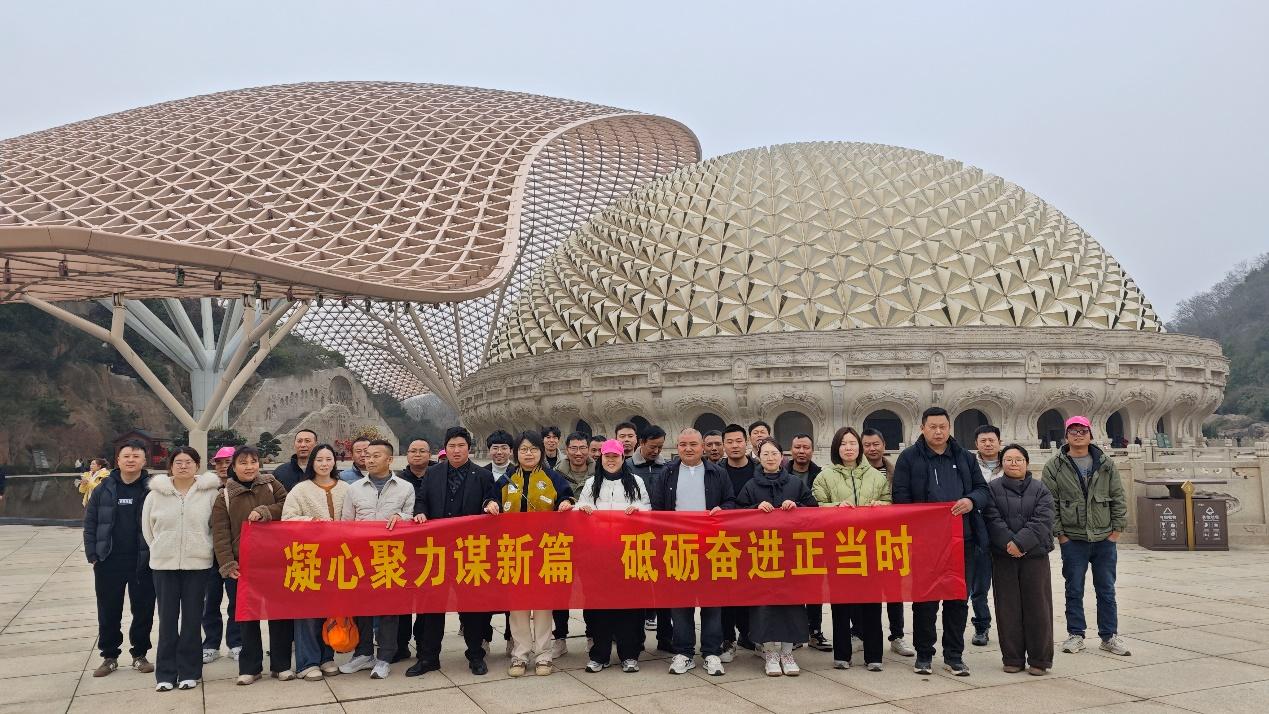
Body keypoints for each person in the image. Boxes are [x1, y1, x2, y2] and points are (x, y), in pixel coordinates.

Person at [892, 406, 989, 677]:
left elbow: (982, 490)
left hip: (962, 540)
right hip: (925, 543)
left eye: (942, 427)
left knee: (957, 600)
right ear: (922, 428)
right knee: (926, 600)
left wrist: (971, 501)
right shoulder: (909, 458)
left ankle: (954, 655)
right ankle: (924, 654)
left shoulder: (965, 457)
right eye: (932, 427)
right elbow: (900, 497)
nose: (938, 432)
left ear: (949, 428)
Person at [408, 427, 501, 677]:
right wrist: (420, 512)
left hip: (469, 552)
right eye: (452, 446)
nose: (456, 450)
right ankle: (429, 657)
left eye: (461, 446)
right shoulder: (433, 473)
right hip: (437, 552)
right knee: (432, 607)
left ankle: (475, 655)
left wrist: (491, 505)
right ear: (445, 448)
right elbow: (422, 499)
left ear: (469, 448)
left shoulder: (483, 475)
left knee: (471, 608)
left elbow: (490, 500)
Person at [1043, 416, 1132, 657]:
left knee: (1106, 589)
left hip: (1104, 537)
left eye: (1083, 431)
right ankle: (1076, 634)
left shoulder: (1105, 463)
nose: (1078, 435)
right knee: (1074, 589)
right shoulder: (1055, 465)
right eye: (1073, 431)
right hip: (1073, 539)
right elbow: (1050, 503)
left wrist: (1116, 531)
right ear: (1066, 436)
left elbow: (1118, 497)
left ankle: (1109, 636)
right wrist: (1061, 535)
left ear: (1091, 435)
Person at [651, 428, 736, 676]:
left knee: (712, 603)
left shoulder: (717, 472)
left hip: (711, 547)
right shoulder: (668, 473)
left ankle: (711, 652)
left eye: (693, 444)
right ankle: (684, 653)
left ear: (702, 447)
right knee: (681, 603)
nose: (688, 449)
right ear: (677, 447)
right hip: (678, 547)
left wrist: (722, 510)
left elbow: (730, 501)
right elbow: (657, 508)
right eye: (683, 444)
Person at [210, 446, 291, 685]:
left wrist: (266, 511)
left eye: (253, 461)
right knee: (246, 617)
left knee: (279, 614)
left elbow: (288, 506)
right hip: (243, 565)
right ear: (233, 467)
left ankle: (281, 665)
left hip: (274, 561)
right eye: (243, 463)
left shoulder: (271, 484)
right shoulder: (224, 496)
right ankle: (250, 667)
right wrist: (227, 564)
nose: (249, 467)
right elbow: (220, 533)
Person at [737, 437, 817, 676]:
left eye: (774, 453)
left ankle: (787, 652)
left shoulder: (795, 483)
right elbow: (736, 514)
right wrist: (754, 509)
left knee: (791, 604)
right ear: (758, 458)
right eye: (765, 454)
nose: (770, 458)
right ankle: (770, 652)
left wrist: (797, 506)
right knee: (764, 605)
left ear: (782, 457)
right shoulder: (751, 485)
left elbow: (814, 510)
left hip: (791, 554)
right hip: (761, 555)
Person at [142, 446, 220, 691]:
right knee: (167, 620)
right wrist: (160, 547)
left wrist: (205, 547)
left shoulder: (210, 493)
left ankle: (189, 671)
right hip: (164, 565)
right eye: (178, 462)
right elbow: (148, 529)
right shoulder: (155, 494)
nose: (183, 466)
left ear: (197, 465)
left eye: (188, 461)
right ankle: (165, 673)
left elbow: (215, 527)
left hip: (197, 564)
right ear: (171, 465)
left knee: (192, 620)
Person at [813, 427, 891, 671]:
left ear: (860, 447)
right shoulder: (824, 477)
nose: (848, 448)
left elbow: (890, 503)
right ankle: (842, 654)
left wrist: (882, 505)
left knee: (872, 603)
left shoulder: (876, 477)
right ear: (836, 448)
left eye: (853, 443)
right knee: (840, 604)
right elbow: (815, 507)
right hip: (839, 548)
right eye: (843, 444)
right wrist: (836, 506)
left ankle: (874, 655)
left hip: (870, 548)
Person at [500, 430, 575, 676]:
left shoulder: (552, 476)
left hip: (544, 551)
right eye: (523, 449)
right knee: (518, 605)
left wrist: (566, 502)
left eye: (533, 449)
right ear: (516, 453)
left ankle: (544, 654)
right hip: (514, 551)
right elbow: (491, 498)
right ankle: (520, 655)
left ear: (541, 452)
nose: (528, 453)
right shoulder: (507, 477)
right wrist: (490, 504)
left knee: (543, 605)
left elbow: (566, 495)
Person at [337, 440, 414, 679]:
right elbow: (346, 523)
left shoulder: (405, 488)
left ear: (389, 459)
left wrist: (401, 517)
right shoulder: (354, 489)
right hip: (361, 557)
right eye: (367, 455)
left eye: (375, 456)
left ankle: (384, 658)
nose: (369, 459)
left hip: (391, 557)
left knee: (389, 609)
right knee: (361, 607)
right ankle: (363, 653)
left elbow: (412, 517)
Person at [577, 439, 652, 673]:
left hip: (627, 552)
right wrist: (582, 509)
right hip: (598, 554)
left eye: (615, 456)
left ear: (622, 458)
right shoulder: (591, 483)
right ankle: (599, 655)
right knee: (599, 606)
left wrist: (638, 510)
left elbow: (648, 508)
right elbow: (580, 507)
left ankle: (629, 655)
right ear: (601, 458)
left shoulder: (635, 482)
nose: (611, 460)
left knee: (629, 606)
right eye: (607, 456)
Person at [85, 439, 156, 678]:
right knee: (108, 610)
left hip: (142, 561)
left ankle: (140, 654)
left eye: (136, 456)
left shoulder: (152, 489)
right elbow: (90, 523)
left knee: (143, 610)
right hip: (109, 560)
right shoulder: (103, 488)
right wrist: (93, 555)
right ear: (118, 460)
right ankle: (109, 656)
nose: (131, 460)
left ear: (144, 461)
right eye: (126, 456)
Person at [983, 444, 1055, 675]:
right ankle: (1012, 657)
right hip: (1004, 556)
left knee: (1038, 607)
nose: (1013, 463)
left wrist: (1021, 543)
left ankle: (1039, 659)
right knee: (1007, 608)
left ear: (1026, 463)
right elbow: (991, 518)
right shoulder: (992, 489)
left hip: (1035, 556)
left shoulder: (1040, 489)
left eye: (1018, 459)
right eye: (1008, 459)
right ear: (1001, 463)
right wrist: (1009, 544)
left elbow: (1043, 519)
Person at [282, 443, 349, 680]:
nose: (324, 464)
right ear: (312, 462)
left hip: (337, 558)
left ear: (334, 462)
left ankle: (327, 656)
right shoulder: (300, 490)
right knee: (307, 611)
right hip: (309, 557)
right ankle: (306, 662)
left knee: (330, 609)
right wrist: (311, 522)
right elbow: (287, 518)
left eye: (328, 459)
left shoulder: (345, 488)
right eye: (319, 459)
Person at [861, 428, 913, 657]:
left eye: (876, 444)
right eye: (867, 445)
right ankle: (860, 632)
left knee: (894, 590)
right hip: (861, 539)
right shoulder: (855, 472)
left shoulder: (897, 471)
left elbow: (904, 500)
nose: (872, 449)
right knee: (863, 590)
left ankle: (897, 635)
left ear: (884, 444)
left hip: (891, 537)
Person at [787, 432, 830, 652]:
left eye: (805, 447)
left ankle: (815, 631)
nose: (801, 451)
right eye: (797, 447)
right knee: (793, 589)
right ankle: (795, 633)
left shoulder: (821, 475)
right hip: (787, 541)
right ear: (790, 450)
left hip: (814, 539)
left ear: (812, 450)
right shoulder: (782, 474)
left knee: (814, 588)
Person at [393, 437, 432, 662]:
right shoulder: (398, 480)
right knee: (403, 599)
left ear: (430, 454)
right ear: (406, 455)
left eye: (422, 451)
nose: (417, 455)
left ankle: (424, 643)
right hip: (404, 550)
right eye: (413, 451)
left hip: (432, 548)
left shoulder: (438, 476)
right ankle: (400, 645)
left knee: (427, 599)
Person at [719, 423, 755, 656]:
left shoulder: (759, 469)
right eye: (729, 442)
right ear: (724, 445)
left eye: (738, 441)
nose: (734, 446)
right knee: (725, 592)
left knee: (750, 591)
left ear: (747, 443)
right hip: (724, 541)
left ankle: (748, 634)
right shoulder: (715, 471)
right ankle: (727, 638)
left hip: (754, 540)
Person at [201, 446, 240, 664]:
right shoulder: (206, 489)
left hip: (234, 555)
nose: (223, 467)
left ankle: (236, 642)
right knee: (210, 601)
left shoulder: (242, 488)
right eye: (219, 463)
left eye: (228, 462)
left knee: (236, 601)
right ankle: (211, 644)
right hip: (210, 554)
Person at [970, 424, 1004, 646]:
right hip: (979, 533)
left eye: (992, 440)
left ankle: (1010, 627)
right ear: (976, 444)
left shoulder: (1010, 462)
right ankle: (982, 626)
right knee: (979, 587)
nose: (988, 444)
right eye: (983, 441)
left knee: (1008, 587)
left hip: (1006, 533)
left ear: (1000, 442)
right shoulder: (969, 465)